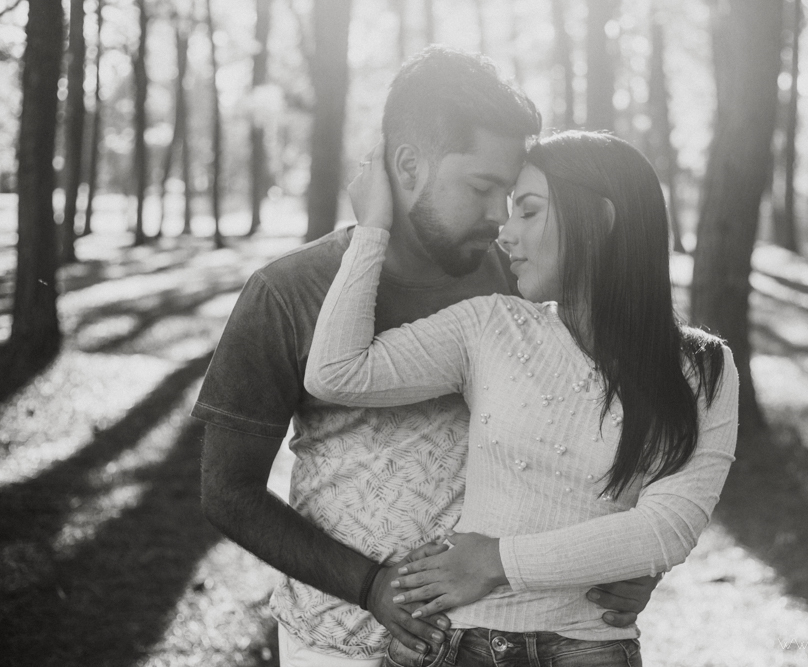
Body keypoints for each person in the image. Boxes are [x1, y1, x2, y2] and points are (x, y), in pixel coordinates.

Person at [196, 47, 658, 667]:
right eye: (482, 188)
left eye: (511, 193)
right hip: (339, 643)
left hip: (498, 641)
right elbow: (228, 490)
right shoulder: (288, 292)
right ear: (409, 165)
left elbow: (591, 434)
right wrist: (369, 586)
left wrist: (635, 561)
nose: (499, 217)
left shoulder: (519, 283)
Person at [303, 130, 740, 667]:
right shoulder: (490, 325)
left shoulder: (703, 368)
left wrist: (494, 561)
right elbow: (336, 373)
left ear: (601, 218)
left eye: (528, 210)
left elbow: (666, 530)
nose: (505, 234)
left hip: (589, 651)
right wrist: (373, 228)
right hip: (452, 644)